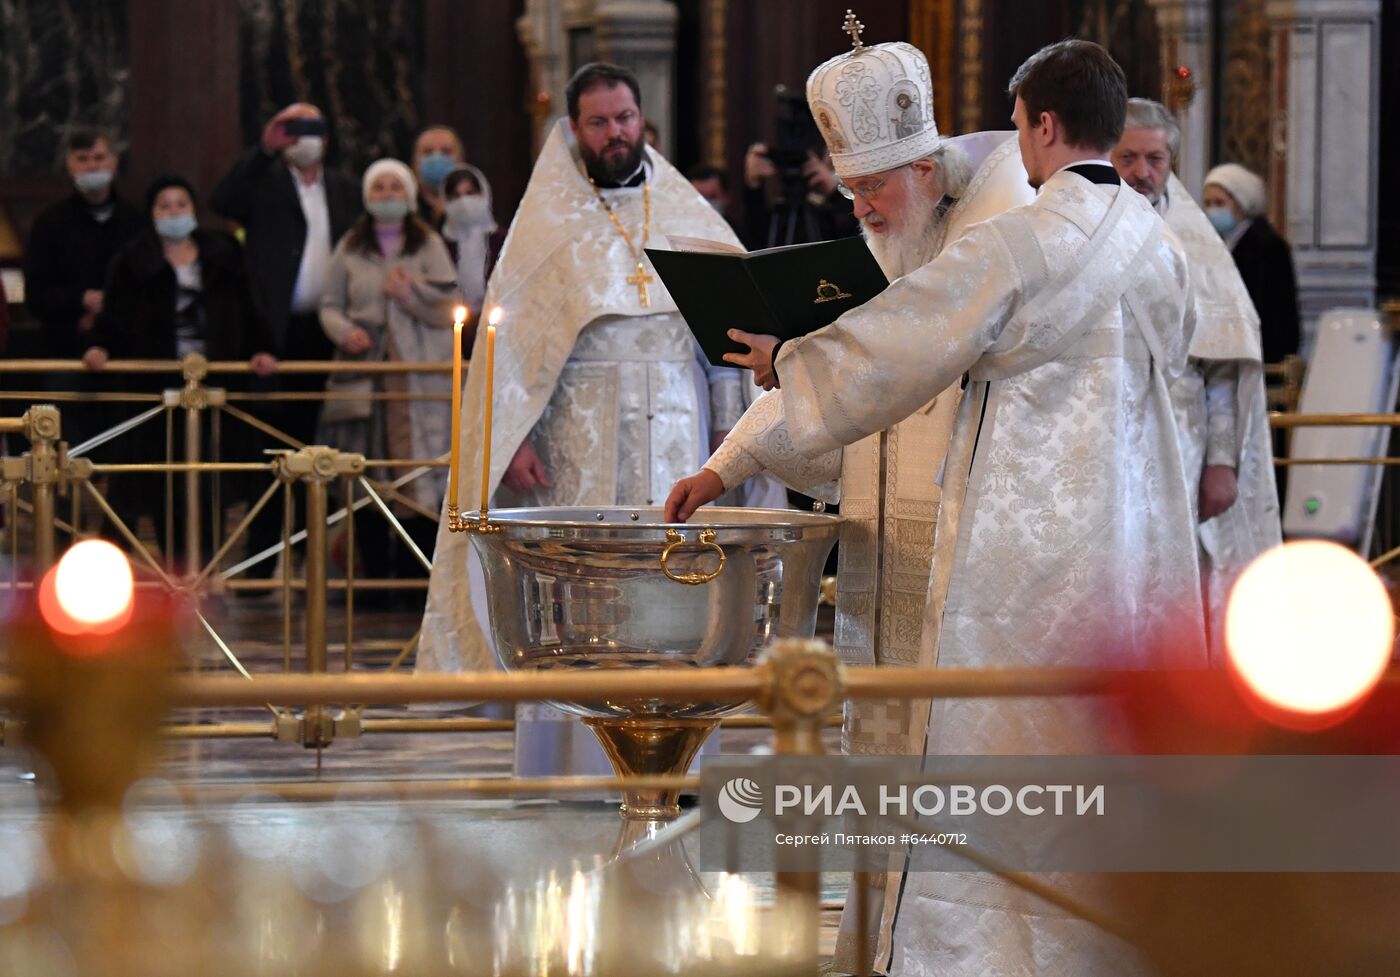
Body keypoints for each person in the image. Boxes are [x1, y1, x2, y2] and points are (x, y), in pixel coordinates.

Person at [670, 39, 1207, 976]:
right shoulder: (1159, 243)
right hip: (1122, 543)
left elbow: (904, 342)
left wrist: (787, 361)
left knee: (985, 756)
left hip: (1007, 554)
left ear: (1039, 125)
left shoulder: (1016, 239)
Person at [418, 62, 746, 776]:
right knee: (576, 593)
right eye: (598, 122)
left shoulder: (687, 213)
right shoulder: (547, 224)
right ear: (573, 129)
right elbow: (513, 347)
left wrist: (728, 429)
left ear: (641, 120)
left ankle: (675, 764)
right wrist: (513, 441)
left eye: (624, 118)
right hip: (577, 436)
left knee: (676, 585)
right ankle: (571, 768)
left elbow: (727, 334)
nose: (615, 133)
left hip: (675, 429)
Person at [1112, 98, 1281, 651]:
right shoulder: (1082, 224)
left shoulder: (1195, 243)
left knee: (1178, 579)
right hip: (1104, 436)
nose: (1142, 172)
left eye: (1155, 159)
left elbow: (1223, 369)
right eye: (1129, 156)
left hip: (1182, 442)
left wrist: (1223, 462)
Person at [82, 174, 276, 567]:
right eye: (164, 206)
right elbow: (114, 320)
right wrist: (98, 347)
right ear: (152, 214)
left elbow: (250, 310)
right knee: (157, 484)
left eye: (181, 204)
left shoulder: (221, 255)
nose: (174, 213)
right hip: (155, 391)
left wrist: (262, 350)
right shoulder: (132, 261)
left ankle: (205, 573)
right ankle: (170, 573)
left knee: (210, 483)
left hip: (215, 386)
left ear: (193, 209)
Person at [209, 103, 360, 577]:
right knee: (271, 449)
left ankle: (314, 559)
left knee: (322, 449)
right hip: (271, 335)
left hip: (330, 332)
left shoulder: (344, 189)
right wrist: (263, 149)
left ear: (328, 137)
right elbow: (223, 202)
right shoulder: (263, 182)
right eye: (293, 129)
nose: (304, 138)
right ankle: (261, 560)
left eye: (312, 128)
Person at [318, 159, 460, 595]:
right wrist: (345, 331)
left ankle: (416, 581)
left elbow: (448, 306)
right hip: (364, 374)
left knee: (414, 474)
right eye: (378, 187)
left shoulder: (428, 243)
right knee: (366, 475)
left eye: (394, 187)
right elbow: (329, 304)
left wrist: (408, 295)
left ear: (408, 195)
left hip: (414, 380)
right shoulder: (351, 246)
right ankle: (376, 581)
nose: (386, 194)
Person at [23, 128, 144, 441]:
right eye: (83, 159)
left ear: (115, 163)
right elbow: (35, 295)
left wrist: (109, 311)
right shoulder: (50, 223)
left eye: (99, 157)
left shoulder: (137, 222)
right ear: (69, 166)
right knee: (64, 445)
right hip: (66, 352)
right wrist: (81, 300)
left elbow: (149, 288)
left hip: (124, 354)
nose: (92, 166)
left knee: (126, 444)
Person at [1202, 163, 1300, 365]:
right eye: (1208, 203)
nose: (1213, 210)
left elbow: (1270, 312)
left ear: (1242, 204)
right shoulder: (1225, 243)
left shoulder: (1267, 245)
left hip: (1258, 357)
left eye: (1220, 203)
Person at [439, 164, 504, 323]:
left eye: (470, 193)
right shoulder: (440, 244)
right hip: (452, 327)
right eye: (456, 196)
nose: (464, 201)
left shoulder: (503, 240)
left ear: (483, 194)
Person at [410, 125, 466, 230]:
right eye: (428, 152)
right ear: (414, 163)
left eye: (446, 152)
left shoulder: (475, 210)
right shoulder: (405, 211)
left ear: (461, 162)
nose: (437, 158)